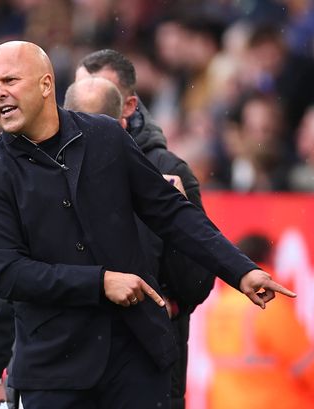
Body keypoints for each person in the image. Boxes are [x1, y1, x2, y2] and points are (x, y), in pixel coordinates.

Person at [0, 40, 295, 409]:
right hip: (53, 373)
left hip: (136, 358)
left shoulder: (106, 137)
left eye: (9, 80)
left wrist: (240, 270)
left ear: (46, 84)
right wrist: (100, 282)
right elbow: (7, 276)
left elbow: (171, 212)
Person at [74, 49, 216, 409]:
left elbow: (196, 285)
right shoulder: (46, 169)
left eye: (102, 94)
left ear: (128, 105)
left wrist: (175, 222)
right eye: (78, 95)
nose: (84, 110)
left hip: (149, 376)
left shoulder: (169, 173)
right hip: (71, 375)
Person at [206, 233, 314, 409]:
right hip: (271, 403)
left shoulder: (222, 303)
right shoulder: (267, 305)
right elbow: (308, 365)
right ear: (270, 258)